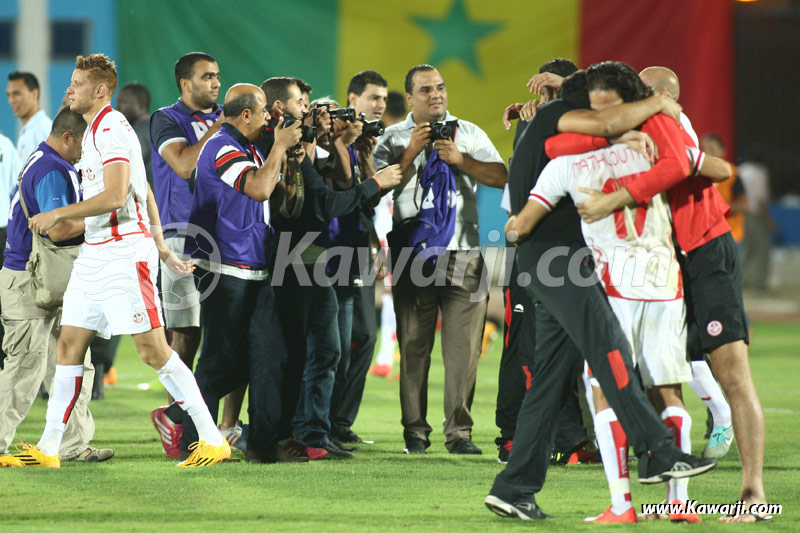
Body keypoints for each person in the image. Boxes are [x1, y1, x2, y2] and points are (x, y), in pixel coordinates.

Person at [484, 66, 715, 520]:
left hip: (556, 259)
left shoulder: (565, 133)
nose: (610, 112)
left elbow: (599, 135)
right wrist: (658, 103)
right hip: (558, 261)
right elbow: (605, 125)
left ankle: (514, 488)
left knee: (549, 384)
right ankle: (658, 451)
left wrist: (626, 136)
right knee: (609, 348)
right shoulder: (555, 115)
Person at [0, 53, 228, 468]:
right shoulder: (91, 132)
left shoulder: (112, 128)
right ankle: (49, 448)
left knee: (153, 351)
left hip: (124, 255)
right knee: (68, 345)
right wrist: (161, 245)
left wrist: (59, 213)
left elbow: (118, 195)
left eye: (78, 84)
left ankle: (212, 438)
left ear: (100, 90)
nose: (70, 89)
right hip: (96, 252)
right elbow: (146, 190)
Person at [577, 65, 770, 524]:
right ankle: (674, 498)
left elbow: (690, 166)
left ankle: (753, 495)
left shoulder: (665, 120)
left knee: (732, 375)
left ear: (655, 96)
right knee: (660, 379)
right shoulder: (630, 130)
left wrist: (616, 197)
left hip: (704, 252)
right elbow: (709, 167)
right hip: (665, 263)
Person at [262, 76, 401, 460]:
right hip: (295, 257)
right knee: (296, 354)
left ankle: (312, 433)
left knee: (327, 351)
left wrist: (339, 144)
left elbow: (340, 181)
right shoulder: (276, 148)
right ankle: (278, 432)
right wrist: (375, 183)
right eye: (303, 105)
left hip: (315, 258)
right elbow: (328, 202)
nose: (310, 113)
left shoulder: (300, 151)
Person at [375, 64, 507, 455]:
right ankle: (415, 433)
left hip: (465, 251)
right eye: (426, 89)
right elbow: (376, 183)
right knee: (413, 347)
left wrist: (462, 161)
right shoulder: (391, 137)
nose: (436, 94)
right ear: (410, 97)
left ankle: (459, 433)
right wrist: (411, 152)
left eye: (441, 87)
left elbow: (501, 176)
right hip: (413, 252)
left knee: (464, 351)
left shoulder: (469, 133)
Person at [178, 83, 305, 463]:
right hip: (223, 267)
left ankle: (262, 446)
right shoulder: (221, 147)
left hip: (252, 264)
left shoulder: (249, 148)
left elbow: (277, 198)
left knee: (267, 355)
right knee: (219, 361)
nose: (269, 118)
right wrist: (279, 147)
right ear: (246, 114)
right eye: (264, 111)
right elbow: (259, 189)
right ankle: (194, 441)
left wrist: (290, 161)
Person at [0, 107, 113, 464]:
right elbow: (59, 229)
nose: (85, 154)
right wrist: (104, 218)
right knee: (25, 367)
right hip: (29, 281)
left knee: (73, 361)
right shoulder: (51, 169)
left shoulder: (48, 159)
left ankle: (74, 444)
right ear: (67, 137)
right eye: (83, 145)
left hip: (50, 279)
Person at [639, 69, 735, 461]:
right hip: (672, 250)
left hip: (702, 245)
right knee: (674, 346)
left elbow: (715, 169)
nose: (636, 96)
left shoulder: (672, 125)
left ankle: (727, 420)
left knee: (720, 350)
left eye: (644, 90)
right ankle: (716, 417)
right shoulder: (653, 123)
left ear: (664, 96)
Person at [148, 52, 223, 458]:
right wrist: (221, 127)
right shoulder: (167, 119)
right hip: (182, 235)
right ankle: (177, 421)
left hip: (226, 235)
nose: (215, 83)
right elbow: (183, 165)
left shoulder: (228, 117)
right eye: (207, 77)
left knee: (229, 331)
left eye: (217, 76)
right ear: (185, 83)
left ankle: (225, 424)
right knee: (186, 334)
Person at [328, 70, 389, 448]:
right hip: (329, 253)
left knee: (365, 336)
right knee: (332, 343)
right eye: (373, 97)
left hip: (360, 249)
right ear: (352, 100)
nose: (380, 104)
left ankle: (340, 422)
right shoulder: (332, 139)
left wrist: (376, 245)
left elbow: (371, 199)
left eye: (383, 98)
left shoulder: (365, 143)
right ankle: (319, 421)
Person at [7, 72, 52, 161]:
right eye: (9, 95)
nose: (11, 100)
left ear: (34, 93)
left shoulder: (43, 129)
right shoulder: (28, 131)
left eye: (17, 94)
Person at [117, 82, 153, 188]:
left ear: (141, 104)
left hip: (152, 195)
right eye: (118, 102)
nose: (118, 107)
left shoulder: (140, 130)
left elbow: (127, 167)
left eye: (124, 102)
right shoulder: (154, 124)